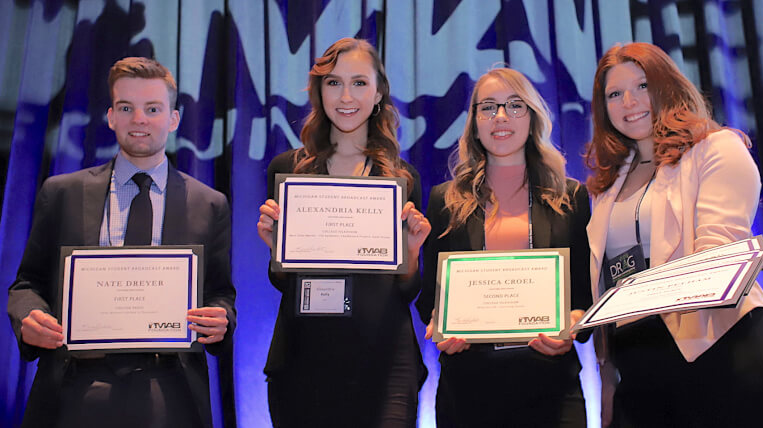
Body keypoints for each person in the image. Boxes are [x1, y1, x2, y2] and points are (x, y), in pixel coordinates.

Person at [7, 57, 236, 428]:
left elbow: (220, 293)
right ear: (111, 116)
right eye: (127, 108)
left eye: (153, 108)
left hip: (170, 388)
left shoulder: (209, 203)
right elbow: (27, 284)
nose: (140, 119)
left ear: (173, 119)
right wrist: (28, 319)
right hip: (76, 383)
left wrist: (220, 319)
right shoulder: (62, 192)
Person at [584, 42, 763, 428]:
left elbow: (717, 259)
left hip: (722, 356)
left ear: (667, 85)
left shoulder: (717, 148)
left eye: (642, 86)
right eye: (614, 94)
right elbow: (607, 284)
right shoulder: (607, 187)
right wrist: (606, 375)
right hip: (641, 372)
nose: (629, 101)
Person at [256, 38, 430, 427]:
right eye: (333, 83)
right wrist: (275, 249)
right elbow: (284, 282)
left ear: (379, 91)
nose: (346, 96)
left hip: (385, 362)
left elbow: (406, 290)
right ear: (319, 92)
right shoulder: (290, 172)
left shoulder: (401, 179)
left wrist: (413, 253)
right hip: (304, 359)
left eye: (359, 83)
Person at [416, 67, 592, 428]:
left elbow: (586, 298)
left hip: (553, 390)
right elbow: (430, 303)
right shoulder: (443, 201)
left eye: (514, 105)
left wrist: (572, 325)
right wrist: (440, 326)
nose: (501, 117)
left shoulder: (570, 197)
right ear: (474, 122)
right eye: (489, 107)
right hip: (468, 392)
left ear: (532, 116)